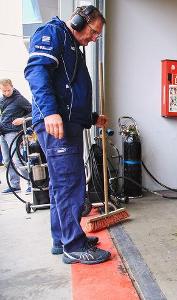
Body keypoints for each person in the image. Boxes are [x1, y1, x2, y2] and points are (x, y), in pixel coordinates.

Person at [24, 5, 110, 265]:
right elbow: (36, 72)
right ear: (78, 21)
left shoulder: (72, 45)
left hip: (67, 123)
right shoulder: (52, 34)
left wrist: (92, 118)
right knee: (69, 183)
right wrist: (50, 112)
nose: (94, 38)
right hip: (56, 124)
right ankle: (74, 246)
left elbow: (70, 93)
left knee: (60, 184)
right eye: (94, 32)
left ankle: (61, 240)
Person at [0, 79, 32, 194]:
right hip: (2, 133)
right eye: (4, 91)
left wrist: (22, 119)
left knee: (17, 160)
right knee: (7, 161)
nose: (6, 93)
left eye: (8, 90)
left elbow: (33, 111)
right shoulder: (1, 100)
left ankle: (31, 183)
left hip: (13, 132)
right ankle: (15, 185)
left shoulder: (19, 99)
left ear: (12, 87)